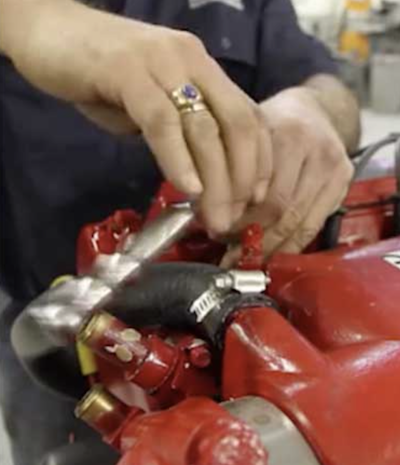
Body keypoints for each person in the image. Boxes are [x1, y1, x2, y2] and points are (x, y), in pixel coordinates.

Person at [0, 0, 360, 464]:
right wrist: (25, 22)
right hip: (56, 344)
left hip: (235, 337)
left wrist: (314, 108)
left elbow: (328, 85)